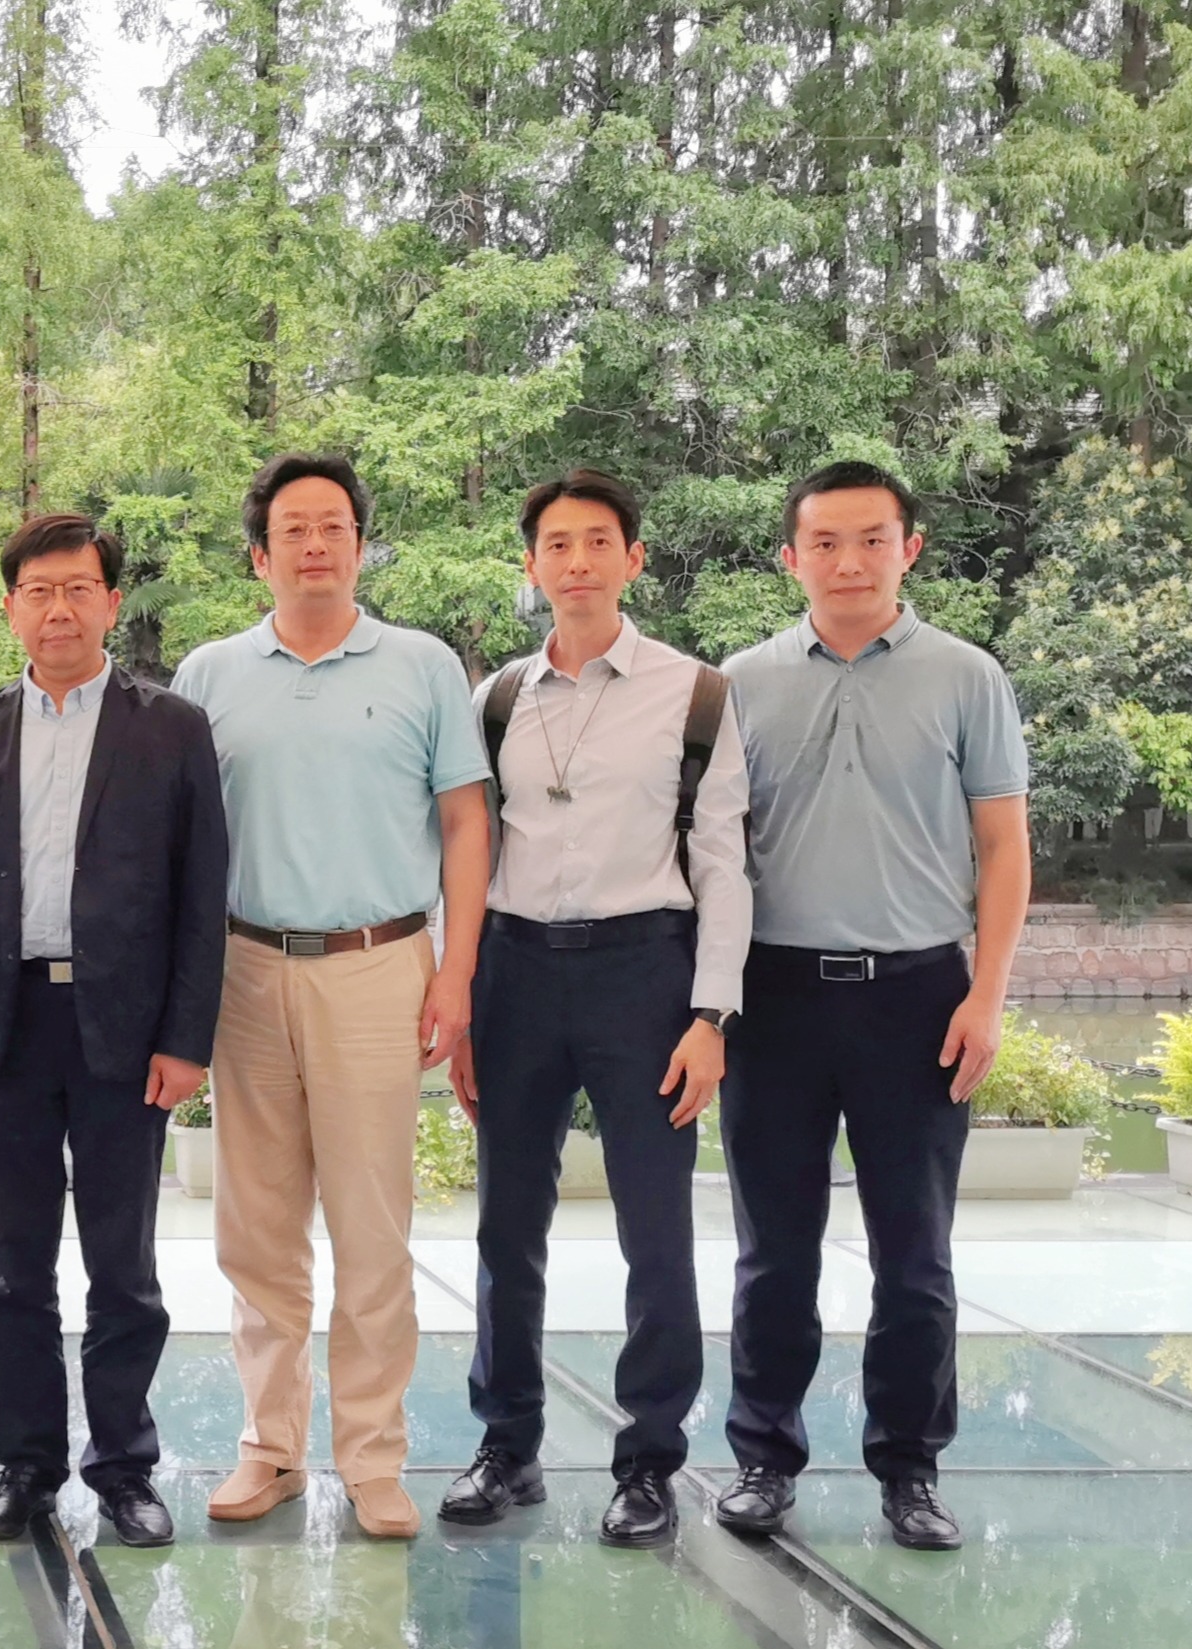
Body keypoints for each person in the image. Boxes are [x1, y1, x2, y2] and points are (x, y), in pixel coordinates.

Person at [169, 453, 491, 1541]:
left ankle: (371, 1457)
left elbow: (465, 823)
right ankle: (269, 1447)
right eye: (292, 529)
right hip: (243, 970)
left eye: (333, 526)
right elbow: (177, 838)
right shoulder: (209, 673)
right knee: (255, 1231)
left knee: (371, 1228)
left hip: (377, 964)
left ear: (360, 543)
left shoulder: (421, 665)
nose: (314, 544)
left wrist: (454, 970)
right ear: (258, 555)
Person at [713, 460, 1030, 1553]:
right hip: (773, 998)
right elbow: (713, 856)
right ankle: (762, 1457)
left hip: (917, 996)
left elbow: (1003, 847)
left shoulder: (965, 676)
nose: (847, 561)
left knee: (915, 1254)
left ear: (910, 548)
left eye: (870, 539)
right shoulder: (738, 683)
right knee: (772, 1251)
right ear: (788, 557)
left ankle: (910, 1467)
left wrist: (985, 994)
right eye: (824, 542)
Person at [436, 470, 749, 1548]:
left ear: (633, 558)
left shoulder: (695, 694)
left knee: (653, 1229)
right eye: (556, 544)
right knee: (504, 1222)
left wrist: (710, 1016)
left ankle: (648, 1459)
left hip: (644, 973)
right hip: (514, 974)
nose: (576, 561)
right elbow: (464, 857)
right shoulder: (495, 699)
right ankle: (505, 1443)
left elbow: (723, 862)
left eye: (598, 541)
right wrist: (460, 998)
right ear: (529, 565)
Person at [0, 514, 228, 1548]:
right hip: (7, 1026)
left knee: (122, 1267)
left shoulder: (171, 727)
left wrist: (186, 1037)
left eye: (78, 589)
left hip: (126, 1032)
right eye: (38, 591)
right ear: (11, 607)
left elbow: (200, 892)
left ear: (111, 601)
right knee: (13, 1268)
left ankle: (124, 1467)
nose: (58, 608)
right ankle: (24, 1466)